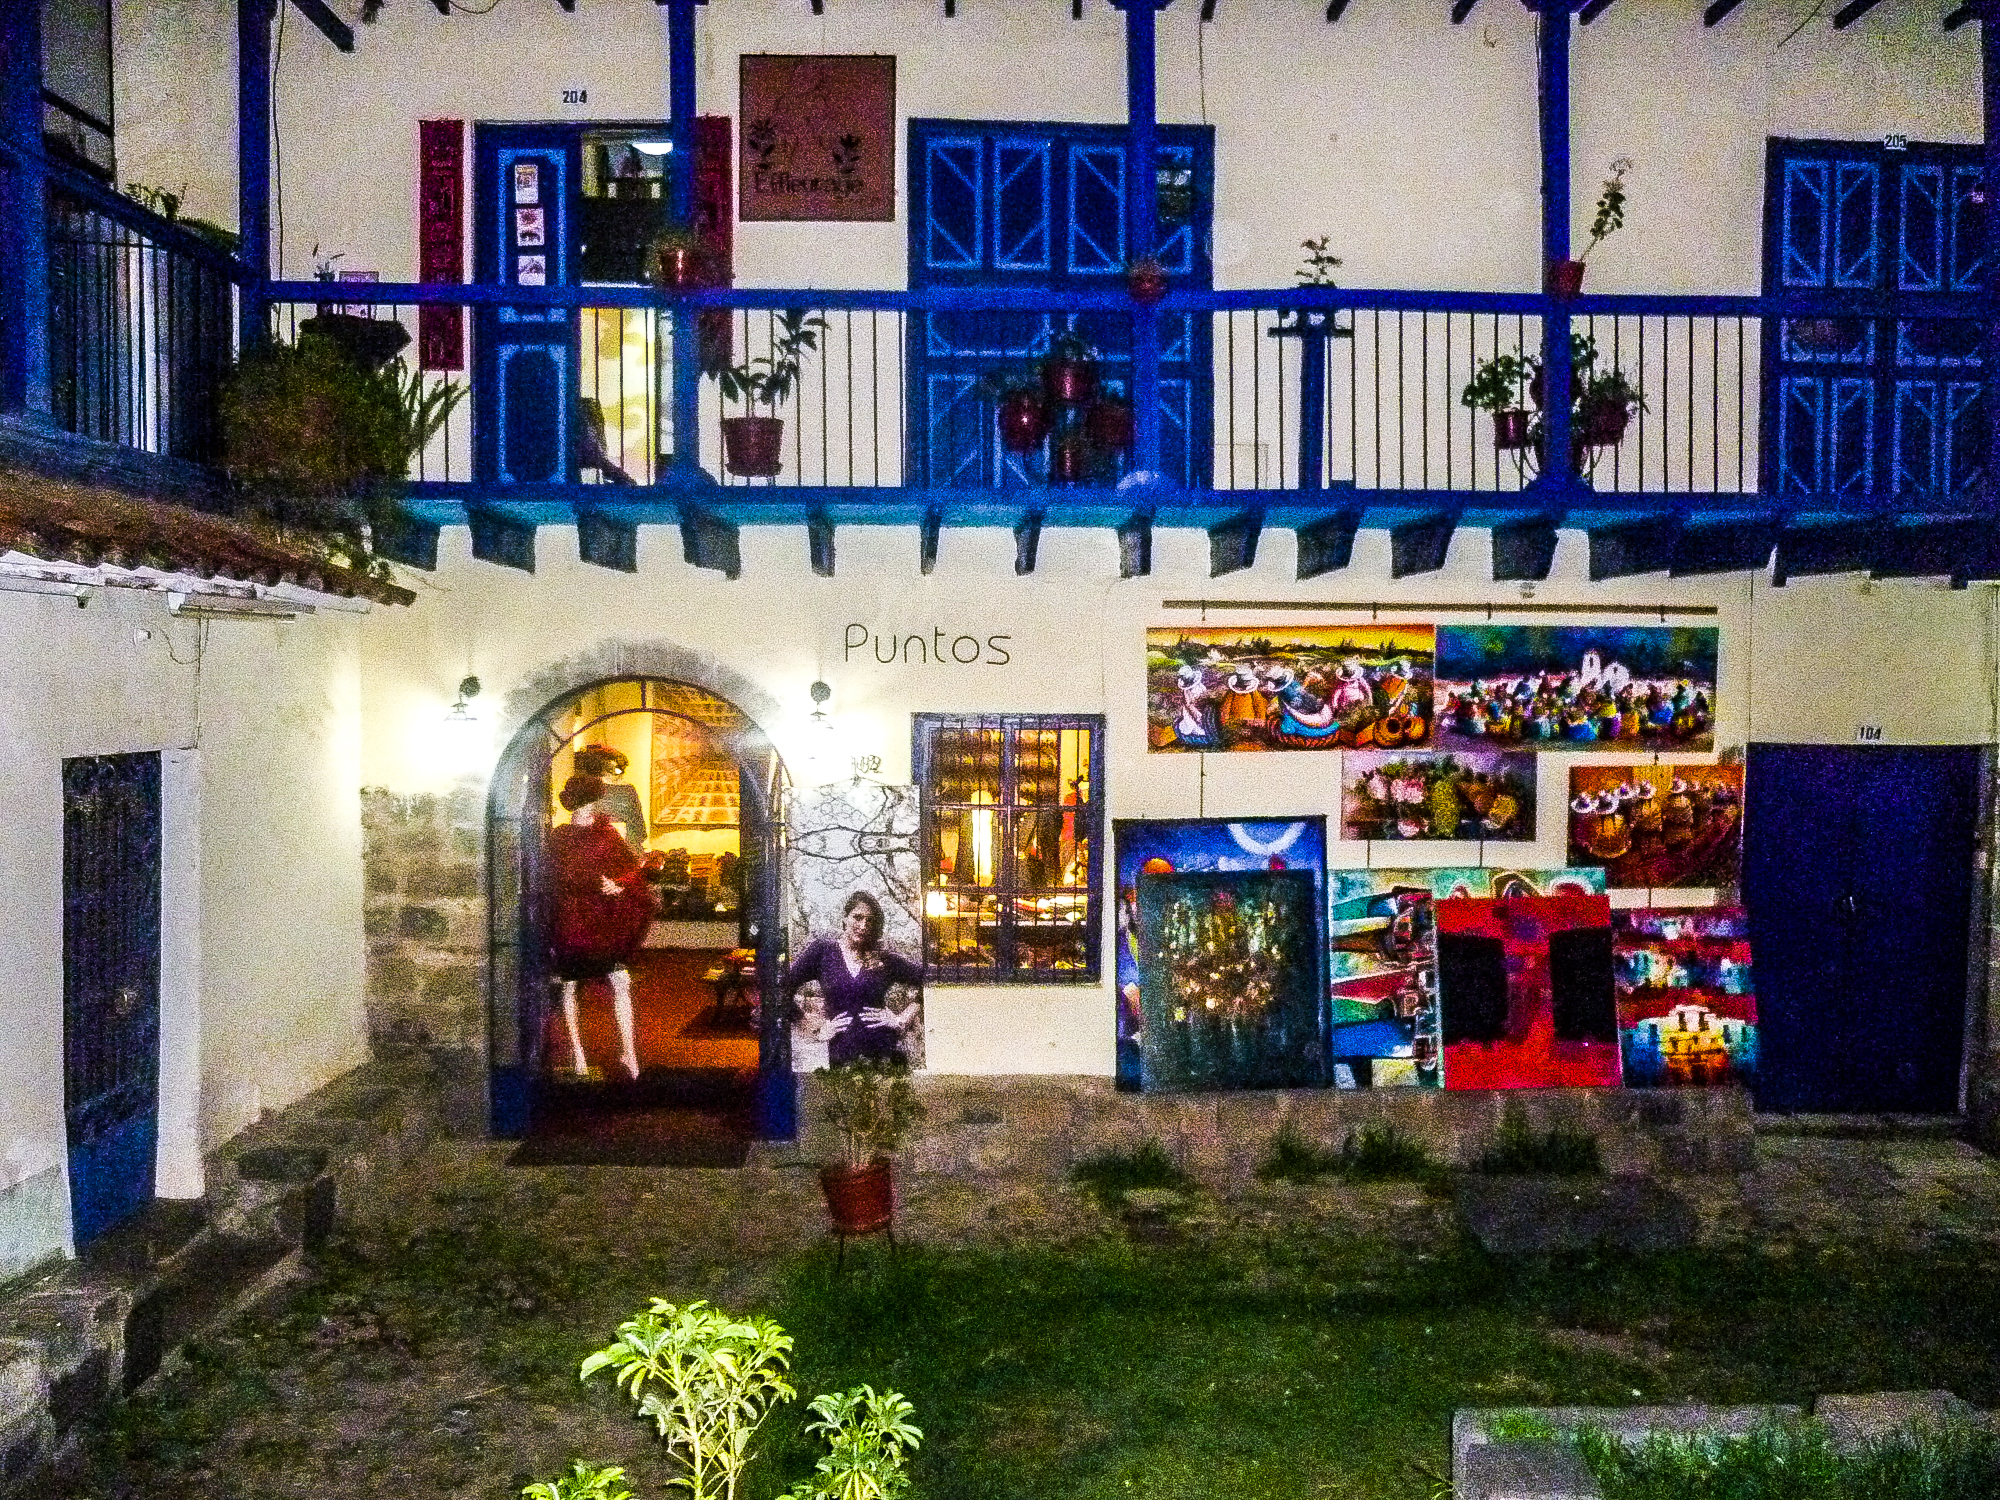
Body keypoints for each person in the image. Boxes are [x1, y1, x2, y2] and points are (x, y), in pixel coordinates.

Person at [549, 771, 658, 1080]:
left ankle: (627, 1054)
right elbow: (551, 878)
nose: (590, 805)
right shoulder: (560, 837)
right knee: (572, 984)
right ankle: (581, 1057)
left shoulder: (606, 834)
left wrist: (618, 883)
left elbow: (628, 869)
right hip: (571, 918)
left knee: (616, 979)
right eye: (588, 800)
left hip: (600, 918)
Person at [780, 890, 922, 1066]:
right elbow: (782, 989)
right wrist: (814, 1030)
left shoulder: (885, 960)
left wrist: (901, 1019)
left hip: (885, 1058)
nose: (863, 926)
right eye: (858, 917)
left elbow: (929, 979)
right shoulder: (823, 952)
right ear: (845, 918)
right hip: (842, 1059)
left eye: (870, 921)